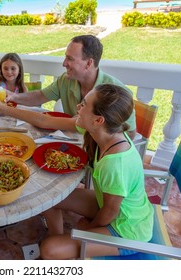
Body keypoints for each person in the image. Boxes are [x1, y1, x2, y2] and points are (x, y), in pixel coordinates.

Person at [39, 84, 153, 260]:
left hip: (127, 229)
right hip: (109, 207)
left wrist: (90, 228)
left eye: (84, 104)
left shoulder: (116, 163)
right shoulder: (105, 135)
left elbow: (110, 212)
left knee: (48, 250)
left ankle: (61, 249)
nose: (78, 107)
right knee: (49, 198)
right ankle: (59, 238)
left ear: (99, 120)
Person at [5, 35, 136, 139]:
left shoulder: (116, 94)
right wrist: (13, 96)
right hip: (70, 142)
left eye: (70, 58)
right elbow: (40, 96)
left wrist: (89, 127)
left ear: (89, 63)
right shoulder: (66, 80)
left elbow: (130, 133)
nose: (64, 63)